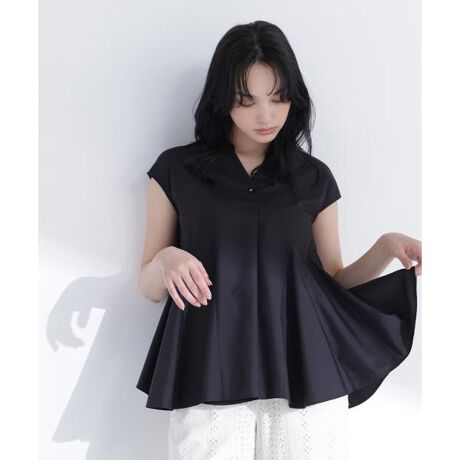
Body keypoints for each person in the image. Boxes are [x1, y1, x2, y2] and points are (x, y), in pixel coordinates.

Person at [136, 20, 421, 459]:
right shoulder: (177, 171)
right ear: (222, 99)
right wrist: (165, 260)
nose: (266, 115)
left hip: (305, 372)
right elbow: (149, 286)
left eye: (278, 97)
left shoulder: (314, 178)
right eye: (246, 100)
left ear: (294, 98)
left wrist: (385, 248)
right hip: (209, 369)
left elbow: (333, 281)